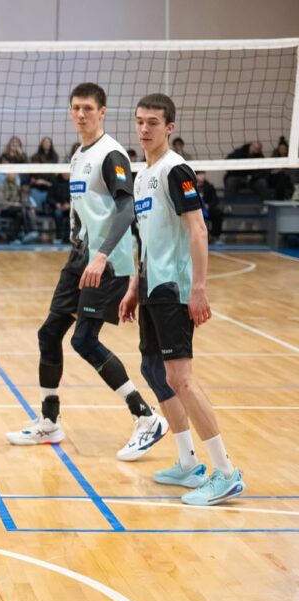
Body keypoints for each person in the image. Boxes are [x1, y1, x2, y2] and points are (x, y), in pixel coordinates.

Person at [6, 82, 168, 459]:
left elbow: (126, 209)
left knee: (83, 341)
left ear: (102, 112)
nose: (81, 114)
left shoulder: (112, 154)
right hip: (80, 258)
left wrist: (101, 255)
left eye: (88, 109)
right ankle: (50, 422)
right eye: (76, 108)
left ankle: (145, 416)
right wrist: (82, 252)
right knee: (49, 334)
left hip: (106, 263)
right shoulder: (79, 154)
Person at [120, 93, 244, 505]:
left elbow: (198, 229)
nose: (144, 129)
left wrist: (199, 288)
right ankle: (189, 464)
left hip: (174, 288)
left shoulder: (176, 170)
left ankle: (225, 472)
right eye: (140, 121)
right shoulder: (142, 176)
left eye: (153, 122)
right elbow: (145, 237)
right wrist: (134, 286)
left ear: (169, 127)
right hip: (151, 287)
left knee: (181, 378)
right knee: (155, 370)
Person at [195, 171, 224, 244]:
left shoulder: (209, 186)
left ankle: (215, 236)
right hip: (195, 210)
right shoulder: (191, 186)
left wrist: (209, 205)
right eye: (200, 174)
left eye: (203, 174)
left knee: (218, 213)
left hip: (207, 209)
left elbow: (215, 200)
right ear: (196, 175)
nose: (202, 176)